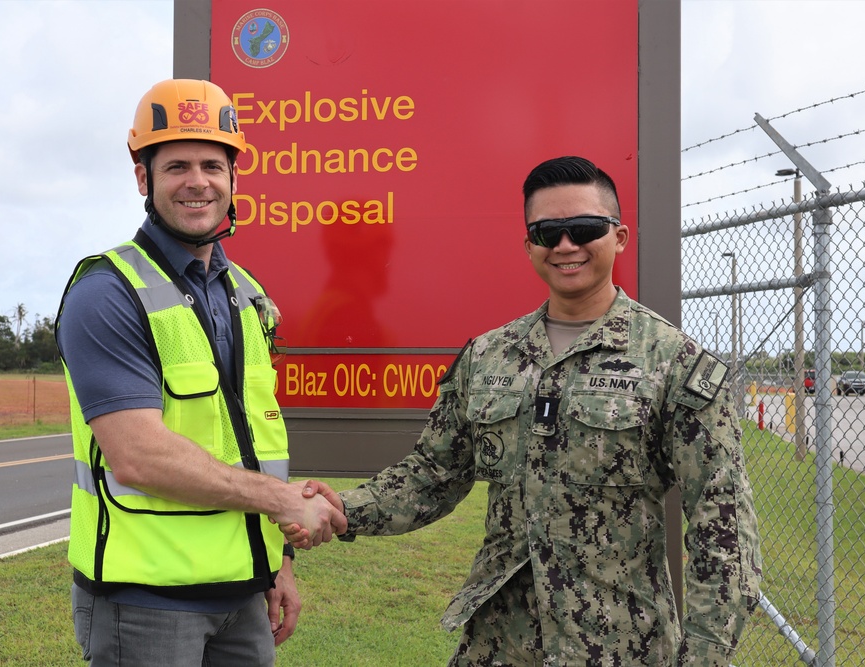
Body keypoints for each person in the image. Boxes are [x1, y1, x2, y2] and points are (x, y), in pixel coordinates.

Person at [288, 156, 762, 666]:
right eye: (547, 232)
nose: (565, 245)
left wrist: (706, 656)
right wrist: (344, 510)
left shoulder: (673, 363)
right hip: (500, 645)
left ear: (619, 237)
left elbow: (724, 526)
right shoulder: (490, 355)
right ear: (529, 245)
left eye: (584, 228)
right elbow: (433, 475)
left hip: (622, 648)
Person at [56, 78, 345, 666]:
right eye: (176, 166)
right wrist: (285, 502)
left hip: (243, 594)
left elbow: (252, 442)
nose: (197, 181)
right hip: (145, 604)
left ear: (234, 179)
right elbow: (139, 456)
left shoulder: (246, 294)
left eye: (213, 164)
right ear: (144, 179)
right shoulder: (108, 292)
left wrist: (277, 561)